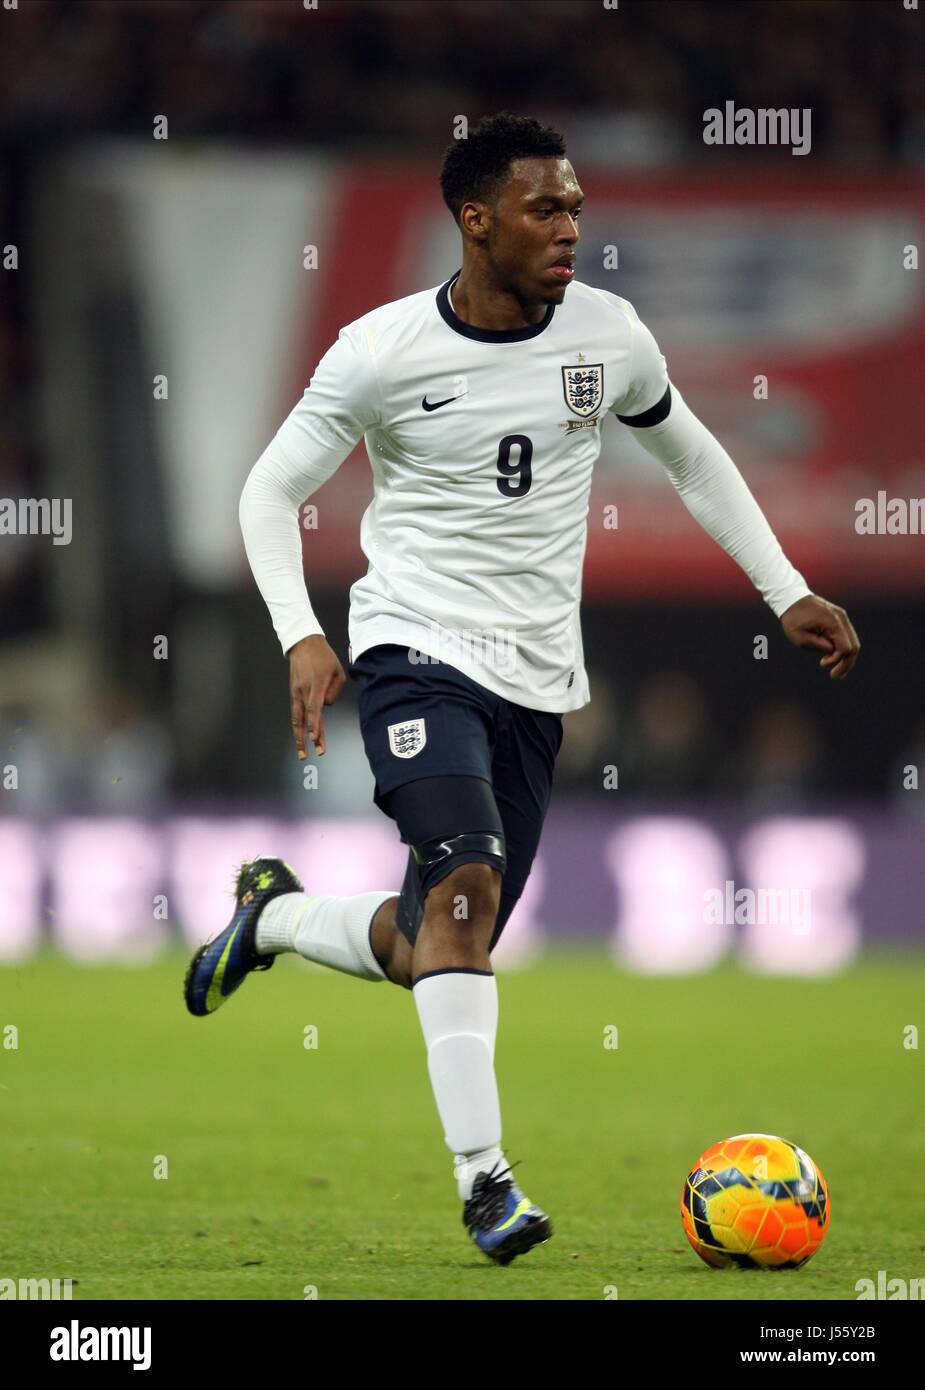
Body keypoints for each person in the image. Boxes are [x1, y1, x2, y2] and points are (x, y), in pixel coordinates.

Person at [184, 113, 860, 1265]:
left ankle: (276, 915)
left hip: (537, 680)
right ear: (475, 218)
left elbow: (692, 454)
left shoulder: (609, 335)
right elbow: (266, 492)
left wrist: (781, 586)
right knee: (467, 885)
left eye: (578, 207)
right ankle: (485, 1183)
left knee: (437, 935)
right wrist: (302, 633)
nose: (571, 230)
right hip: (410, 651)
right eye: (546, 209)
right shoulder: (379, 349)